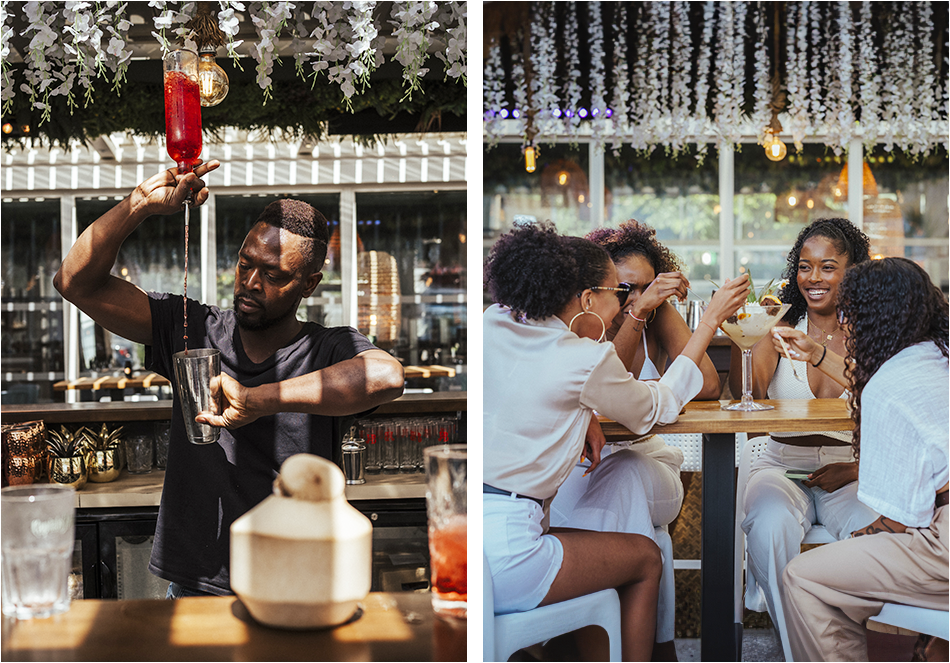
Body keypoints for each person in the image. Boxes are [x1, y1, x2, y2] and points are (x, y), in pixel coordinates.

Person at [53, 162, 405, 597]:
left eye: (273, 274)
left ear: (309, 285)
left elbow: (388, 376)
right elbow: (74, 282)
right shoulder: (192, 327)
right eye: (245, 265)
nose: (251, 283)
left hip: (299, 580)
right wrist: (139, 205)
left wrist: (261, 400)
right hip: (197, 584)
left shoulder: (326, 348)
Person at [483, 220, 750, 661]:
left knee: (608, 523)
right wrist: (713, 319)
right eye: (615, 293)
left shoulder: (494, 321)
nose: (621, 306)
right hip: (511, 554)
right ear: (588, 299)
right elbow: (659, 406)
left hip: (474, 536)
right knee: (645, 557)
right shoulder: (583, 359)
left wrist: (582, 410)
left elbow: (526, 394)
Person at [548, 220, 722, 660]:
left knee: (624, 474)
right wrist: (636, 314)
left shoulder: (658, 316)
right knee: (631, 519)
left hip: (653, 464)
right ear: (598, 289)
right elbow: (610, 376)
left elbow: (707, 384)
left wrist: (657, 311)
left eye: (645, 287)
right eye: (624, 289)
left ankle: (592, 643)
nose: (633, 298)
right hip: (585, 468)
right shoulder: (583, 326)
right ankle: (639, 645)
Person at [778, 257, 949, 662]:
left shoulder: (887, 386)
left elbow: (898, 521)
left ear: (866, 317)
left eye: (847, 311)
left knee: (803, 576)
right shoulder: (937, 359)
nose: (843, 322)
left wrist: (853, 541)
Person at [729, 217, 879, 654]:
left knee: (879, 531)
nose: (814, 278)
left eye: (828, 267)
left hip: (850, 469)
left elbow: (886, 406)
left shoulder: (872, 329)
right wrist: (756, 332)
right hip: (779, 464)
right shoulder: (778, 322)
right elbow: (747, 392)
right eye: (805, 266)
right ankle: (802, 646)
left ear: (853, 272)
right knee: (768, 523)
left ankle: (849, 638)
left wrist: (855, 468)